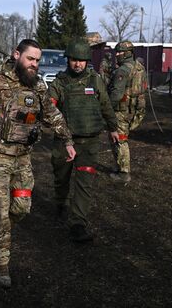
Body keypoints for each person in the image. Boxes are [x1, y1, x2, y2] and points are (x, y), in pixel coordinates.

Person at [0, 38, 76, 289]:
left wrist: (67, 140)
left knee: (22, 208)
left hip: (23, 158)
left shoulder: (38, 87)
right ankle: (1, 264)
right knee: (1, 212)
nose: (34, 64)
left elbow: (52, 115)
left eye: (37, 60)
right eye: (30, 58)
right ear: (16, 55)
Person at [48, 39, 119, 243]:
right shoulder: (59, 82)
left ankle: (78, 223)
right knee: (61, 177)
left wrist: (113, 127)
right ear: (68, 60)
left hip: (90, 141)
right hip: (64, 140)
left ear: (87, 61)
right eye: (74, 60)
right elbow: (50, 106)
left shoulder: (95, 80)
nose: (77, 64)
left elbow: (105, 104)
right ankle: (60, 203)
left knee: (84, 183)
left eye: (81, 60)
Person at [108, 41, 148, 185]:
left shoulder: (123, 70)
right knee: (122, 138)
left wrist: (106, 109)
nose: (117, 55)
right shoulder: (140, 68)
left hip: (121, 110)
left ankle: (124, 172)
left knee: (119, 139)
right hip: (136, 110)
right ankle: (121, 167)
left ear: (127, 53)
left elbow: (116, 95)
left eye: (119, 52)